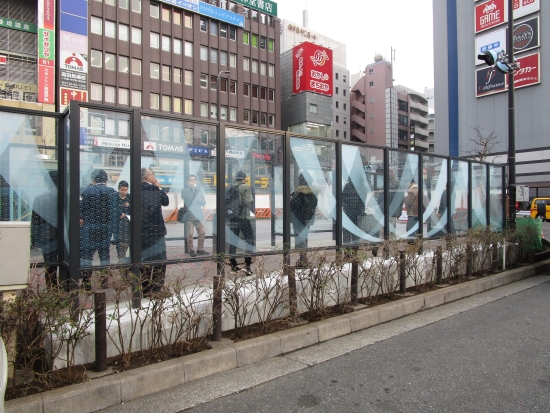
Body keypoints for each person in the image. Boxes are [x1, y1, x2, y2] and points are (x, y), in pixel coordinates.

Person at [80, 169, 117, 290]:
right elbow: (114, 212)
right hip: (105, 229)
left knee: (87, 256)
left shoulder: (87, 191)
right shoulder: (112, 192)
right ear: (106, 180)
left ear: (94, 180)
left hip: (90, 228)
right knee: (104, 255)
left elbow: (81, 209)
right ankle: (104, 280)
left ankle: (86, 282)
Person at [141, 168, 169, 295]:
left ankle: (145, 288)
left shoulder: (136, 190)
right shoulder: (153, 189)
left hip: (141, 232)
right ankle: (156, 288)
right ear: (147, 177)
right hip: (155, 232)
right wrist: (159, 187)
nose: (154, 177)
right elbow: (166, 201)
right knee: (160, 261)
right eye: (153, 175)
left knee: (145, 260)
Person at [31, 170, 59, 288]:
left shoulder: (40, 199)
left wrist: (34, 238)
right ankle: (66, 290)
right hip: (65, 237)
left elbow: (35, 221)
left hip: (47, 237)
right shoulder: (68, 197)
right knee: (67, 264)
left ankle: (52, 290)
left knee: (50, 266)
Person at [227, 171, 254, 275]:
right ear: (245, 178)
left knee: (233, 241)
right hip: (243, 218)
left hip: (233, 218)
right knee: (249, 241)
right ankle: (247, 266)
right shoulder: (245, 187)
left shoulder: (230, 187)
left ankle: (233, 265)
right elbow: (248, 201)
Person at [290, 173, 318, 266]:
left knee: (301, 238)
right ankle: (303, 258)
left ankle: (303, 260)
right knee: (304, 238)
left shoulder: (300, 193)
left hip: (299, 219)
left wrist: (292, 197)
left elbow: (293, 204)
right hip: (308, 219)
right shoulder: (313, 193)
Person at [181, 175, 207, 257]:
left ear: (196, 181)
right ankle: (190, 250)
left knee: (202, 232)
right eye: (190, 180)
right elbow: (188, 199)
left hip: (198, 215)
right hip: (189, 215)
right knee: (190, 234)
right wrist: (194, 194)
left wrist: (199, 199)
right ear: (188, 182)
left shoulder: (199, 190)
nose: (192, 182)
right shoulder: (184, 190)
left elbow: (203, 202)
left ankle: (200, 249)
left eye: (194, 180)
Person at [342, 176, 366, 244]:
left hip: (348, 213)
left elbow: (341, 198)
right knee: (356, 234)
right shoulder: (363, 187)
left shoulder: (347, 187)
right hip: (358, 213)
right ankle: (354, 251)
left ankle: (348, 252)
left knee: (347, 234)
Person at [114, 181, 131, 262]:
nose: (123, 192)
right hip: (118, 229)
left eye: (125, 190)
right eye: (122, 190)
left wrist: (130, 206)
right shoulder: (114, 198)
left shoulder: (130, 198)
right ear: (118, 189)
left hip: (128, 229)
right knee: (121, 252)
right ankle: (122, 269)